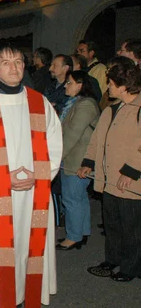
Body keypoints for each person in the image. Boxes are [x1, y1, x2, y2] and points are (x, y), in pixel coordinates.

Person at [0, 46, 62, 308]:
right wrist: (3, 179)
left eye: (18, 62)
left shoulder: (39, 102)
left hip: (33, 189)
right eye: (6, 63)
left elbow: (54, 141)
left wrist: (39, 174)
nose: (14, 67)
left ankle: (25, 293)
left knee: (29, 243)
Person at [81, 57, 141, 283]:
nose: (108, 87)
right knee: (113, 224)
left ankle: (131, 267)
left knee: (132, 228)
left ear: (124, 86)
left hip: (130, 180)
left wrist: (131, 170)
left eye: (111, 84)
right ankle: (113, 259)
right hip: (109, 181)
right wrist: (88, 162)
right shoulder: (109, 110)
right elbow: (97, 140)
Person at [57, 71, 100, 250]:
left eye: (70, 82)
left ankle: (74, 237)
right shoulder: (78, 103)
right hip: (77, 158)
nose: (66, 85)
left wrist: (57, 157)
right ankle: (81, 233)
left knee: (72, 198)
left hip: (77, 160)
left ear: (80, 85)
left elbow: (72, 135)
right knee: (79, 198)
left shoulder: (85, 105)